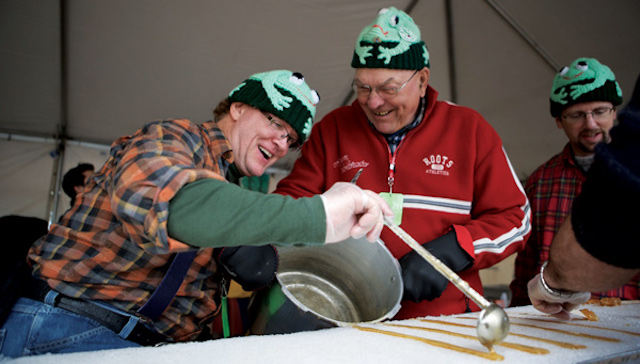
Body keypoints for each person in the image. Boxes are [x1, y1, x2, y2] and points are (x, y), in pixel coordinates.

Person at [0, 69, 393, 358]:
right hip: (72, 327)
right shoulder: (172, 137)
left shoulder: (233, 193)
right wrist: (317, 216)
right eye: (276, 123)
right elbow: (171, 203)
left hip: (145, 345)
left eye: (291, 139)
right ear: (238, 107)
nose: (280, 142)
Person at [274, 7, 531, 318]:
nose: (373, 102)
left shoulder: (470, 130)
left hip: (449, 321)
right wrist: (262, 238)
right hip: (350, 316)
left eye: (388, 89)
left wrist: (458, 248)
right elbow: (290, 205)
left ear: (422, 81)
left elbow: (516, 218)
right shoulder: (333, 129)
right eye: (363, 87)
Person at [510, 58, 639, 307]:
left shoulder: (635, 176)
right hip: (559, 325)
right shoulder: (539, 182)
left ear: (615, 112)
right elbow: (525, 269)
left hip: (629, 327)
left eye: (600, 111)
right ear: (559, 120)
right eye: (577, 115)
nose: (590, 124)